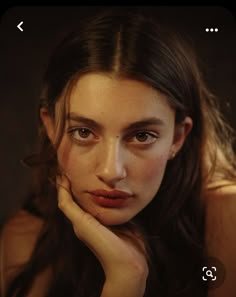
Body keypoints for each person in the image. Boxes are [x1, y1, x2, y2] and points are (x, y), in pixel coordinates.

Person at [1, 8, 236, 297]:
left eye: (141, 136)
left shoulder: (228, 217)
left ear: (177, 138)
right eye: (84, 132)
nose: (111, 171)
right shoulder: (28, 239)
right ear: (51, 128)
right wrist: (125, 282)